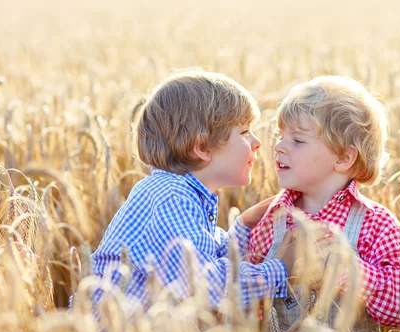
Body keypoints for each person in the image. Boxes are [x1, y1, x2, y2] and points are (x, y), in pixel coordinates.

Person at [249, 76, 400, 332]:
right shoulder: (273, 221)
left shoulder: (376, 226)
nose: (278, 146)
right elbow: (248, 294)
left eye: (298, 140)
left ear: (344, 158)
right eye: (280, 136)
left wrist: (348, 273)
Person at [89, 70, 307, 314]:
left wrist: (244, 226)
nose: (257, 142)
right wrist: (280, 269)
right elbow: (206, 286)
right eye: (244, 132)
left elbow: (208, 256)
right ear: (202, 148)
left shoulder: (185, 195)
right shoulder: (170, 198)